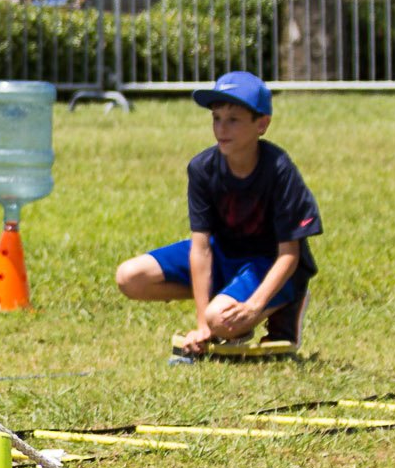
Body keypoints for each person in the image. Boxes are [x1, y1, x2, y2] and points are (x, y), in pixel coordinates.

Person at [114, 69, 322, 353]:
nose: (221, 128)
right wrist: (202, 324)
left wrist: (253, 307)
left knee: (220, 320)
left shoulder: (279, 169)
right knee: (130, 277)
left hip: (268, 262)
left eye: (233, 120)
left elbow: (290, 254)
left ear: (262, 124)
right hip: (223, 255)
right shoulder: (202, 168)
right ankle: (222, 303)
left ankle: (287, 300)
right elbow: (200, 249)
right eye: (216, 118)